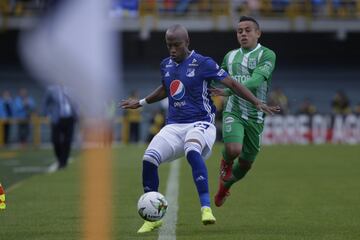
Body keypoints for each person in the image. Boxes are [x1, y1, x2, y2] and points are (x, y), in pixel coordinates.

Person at [120, 24, 279, 233]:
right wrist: (141, 102)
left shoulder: (203, 63)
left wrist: (256, 101)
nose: (173, 50)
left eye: (176, 45)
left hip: (201, 123)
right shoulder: (166, 64)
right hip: (174, 125)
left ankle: (206, 208)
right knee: (148, 159)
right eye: (169, 45)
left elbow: (232, 83)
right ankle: (153, 218)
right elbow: (166, 88)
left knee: (192, 150)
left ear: (187, 42)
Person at [209, 16, 277, 207]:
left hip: (255, 115)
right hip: (234, 111)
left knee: (246, 164)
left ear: (258, 33)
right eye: (240, 31)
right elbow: (218, 77)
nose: (244, 34)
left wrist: (230, 90)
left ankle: (225, 187)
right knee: (233, 149)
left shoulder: (267, 55)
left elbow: (256, 81)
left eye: (248, 30)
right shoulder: (229, 56)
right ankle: (226, 161)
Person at [43, 84, 77, 170]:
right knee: (55, 140)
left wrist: (77, 114)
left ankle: (63, 162)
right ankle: (60, 159)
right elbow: (45, 103)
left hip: (70, 118)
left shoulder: (71, 88)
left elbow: (76, 102)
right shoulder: (51, 89)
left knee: (68, 141)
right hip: (57, 119)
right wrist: (47, 115)